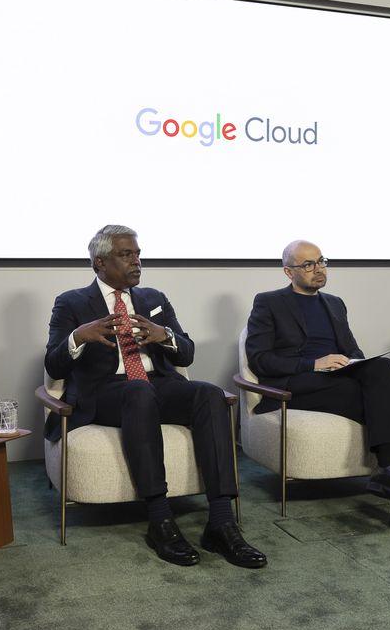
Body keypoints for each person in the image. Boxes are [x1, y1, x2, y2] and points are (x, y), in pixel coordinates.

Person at [44, 225, 266, 568]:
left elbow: (187, 354)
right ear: (100, 262)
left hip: (157, 384)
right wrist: (79, 336)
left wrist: (165, 336)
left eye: (138, 254)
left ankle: (221, 523)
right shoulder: (71, 302)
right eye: (126, 255)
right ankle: (160, 520)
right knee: (139, 391)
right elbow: (53, 363)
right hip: (106, 393)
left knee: (209, 394)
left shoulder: (154, 299)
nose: (136, 261)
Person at [245, 240, 390, 547]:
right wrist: (314, 363)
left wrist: (355, 363)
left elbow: (353, 350)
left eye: (321, 261)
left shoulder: (335, 303)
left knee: (382, 369)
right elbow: (260, 359)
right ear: (288, 271)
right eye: (308, 265)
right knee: (382, 403)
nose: (318, 269)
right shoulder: (268, 302)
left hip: (337, 380)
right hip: (297, 384)